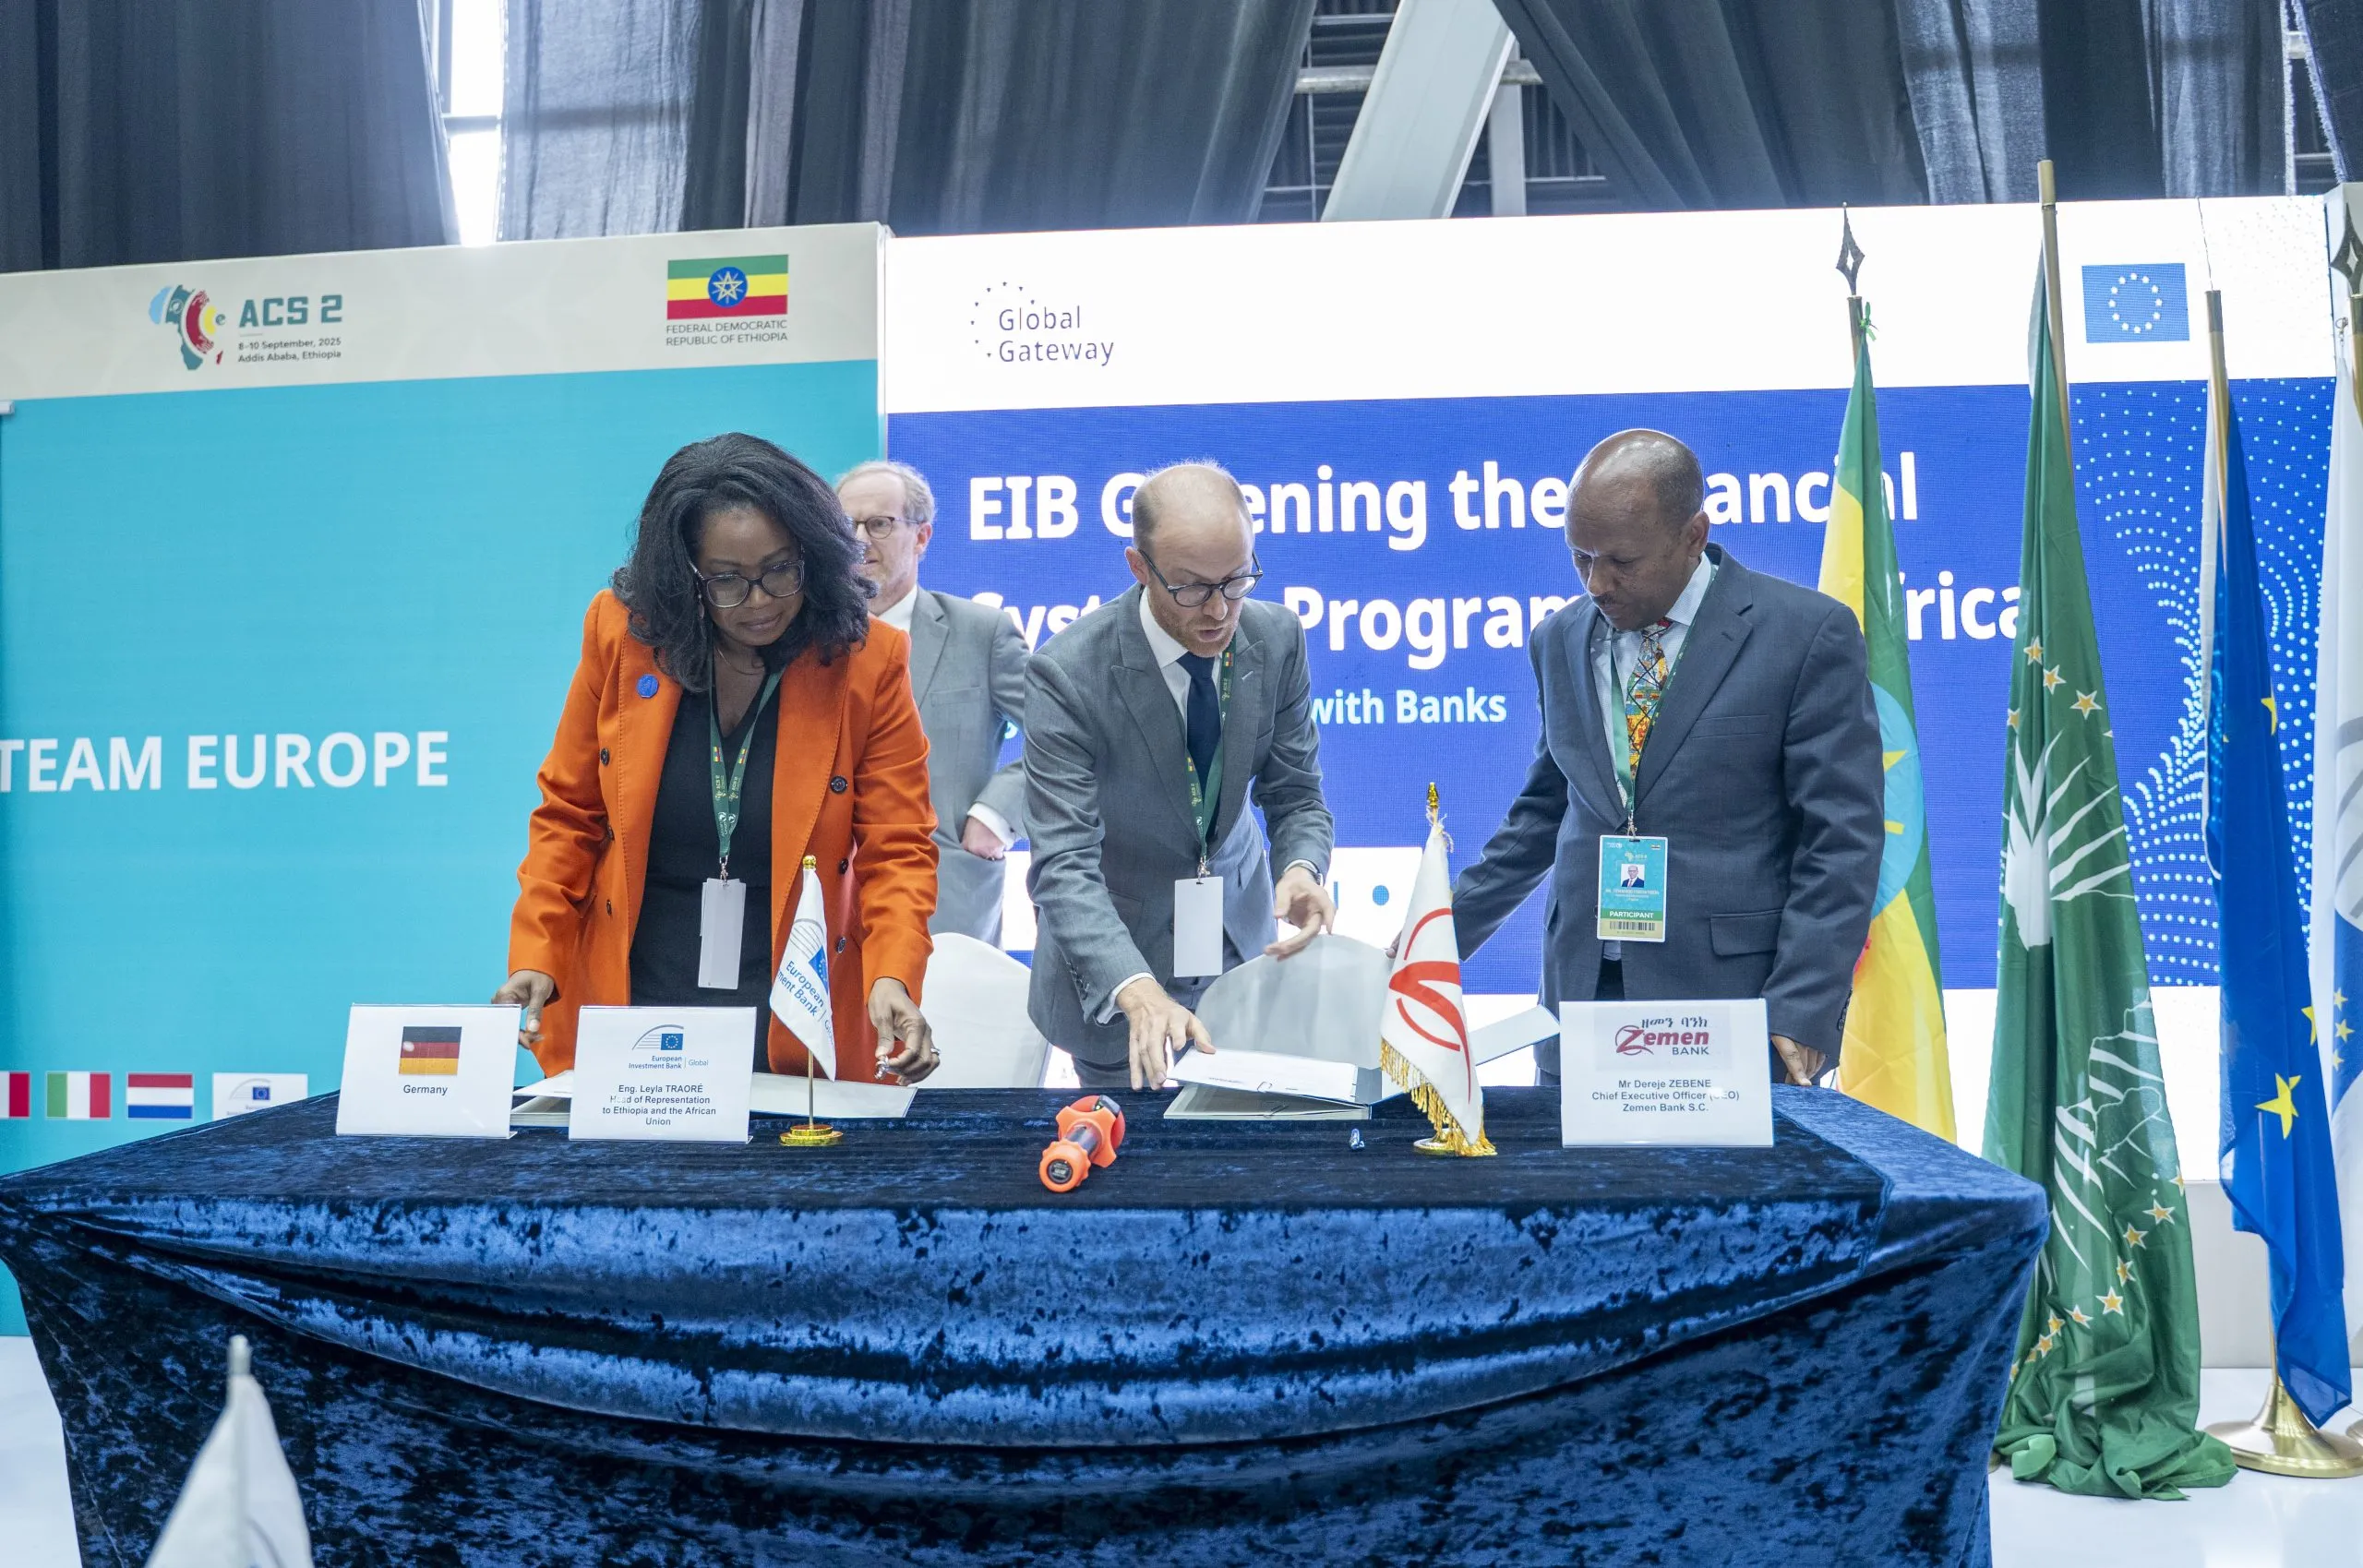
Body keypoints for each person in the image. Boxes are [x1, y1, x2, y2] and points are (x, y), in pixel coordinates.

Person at [496, 433, 942, 1085]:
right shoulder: (622, 634)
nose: (759, 601)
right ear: (685, 574)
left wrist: (893, 975)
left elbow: (897, 848)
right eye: (727, 580)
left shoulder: (867, 661)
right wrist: (536, 954)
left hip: (793, 1002)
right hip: (637, 992)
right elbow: (569, 814)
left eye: (780, 570)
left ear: (814, 553)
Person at [1453, 428, 1883, 1086]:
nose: (1597, 583)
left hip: (1730, 1008)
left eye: (1621, 561)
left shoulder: (1804, 634)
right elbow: (1544, 812)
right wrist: (1434, 938)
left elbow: (1841, 840)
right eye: (1580, 557)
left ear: (1693, 536)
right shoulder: (1558, 639)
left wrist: (1804, 1003)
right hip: (1581, 1005)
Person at [1024, 462, 1337, 1090]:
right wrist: (1135, 987)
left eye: (1237, 579)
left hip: (1240, 947)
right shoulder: (1068, 673)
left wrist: (1301, 867)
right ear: (1139, 568)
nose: (1220, 610)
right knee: (1126, 1140)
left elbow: (1296, 792)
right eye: (1192, 588)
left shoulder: (1276, 637)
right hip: (1119, 963)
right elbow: (1063, 863)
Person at [838, 459, 1032, 945]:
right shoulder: (805, 643)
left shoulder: (981, 633)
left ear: (922, 536)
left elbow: (1066, 737)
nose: (859, 540)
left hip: (946, 899)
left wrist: (998, 815)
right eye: (846, 525)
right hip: (825, 904)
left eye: (879, 524)